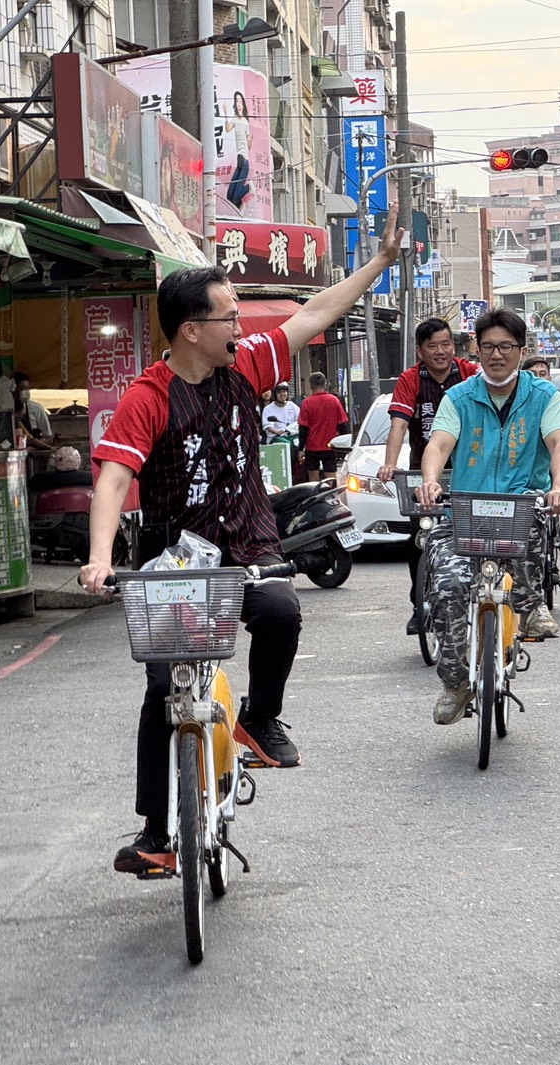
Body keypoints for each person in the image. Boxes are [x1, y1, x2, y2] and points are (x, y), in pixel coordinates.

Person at [80, 205, 403, 874]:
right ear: (191, 330)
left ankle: (260, 719)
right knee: (164, 687)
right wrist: (99, 557)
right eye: (228, 316)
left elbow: (313, 315)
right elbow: (113, 481)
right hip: (174, 559)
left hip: (250, 542)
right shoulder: (148, 396)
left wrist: (376, 265)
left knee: (282, 612)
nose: (240, 325)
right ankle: (155, 835)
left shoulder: (247, 367)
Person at [414, 308, 560, 724]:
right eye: (488, 347)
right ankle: (455, 683)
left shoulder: (543, 396)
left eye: (506, 347)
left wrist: (559, 487)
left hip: (522, 506)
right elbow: (439, 445)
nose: (496, 355)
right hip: (465, 511)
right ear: (476, 350)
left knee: (533, 531)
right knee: (448, 584)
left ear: (522, 351)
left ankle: (531, 602)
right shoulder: (459, 397)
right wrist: (431, 480)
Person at [377, 318, 482, 633]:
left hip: (469, 470)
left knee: (475, 536)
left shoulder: (470, 374)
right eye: (433, 346)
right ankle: (419, 605)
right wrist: (390, 463)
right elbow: (398, 425)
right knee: (418, 540)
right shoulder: (410, 380)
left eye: (446, 344)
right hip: (424, 470)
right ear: (420, 350)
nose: (441, 351)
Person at [521, 355, 560, 552]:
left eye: (543, 374)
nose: (538, 378)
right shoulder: (517, 405)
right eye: (533, 374)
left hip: (554, 463)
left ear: (549, 378)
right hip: (525, 465)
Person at [298, 372, 349, 482]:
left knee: (313, 480)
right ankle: (330, 496)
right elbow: (342, 425)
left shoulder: (306, 403)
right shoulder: (334, 401)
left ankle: (316, 498)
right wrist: (345, 446)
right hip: (330, 446)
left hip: (312, 447)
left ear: (310, 385)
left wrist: (300, 449)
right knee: (331, 478)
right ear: (324, 384)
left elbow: (303, 429)